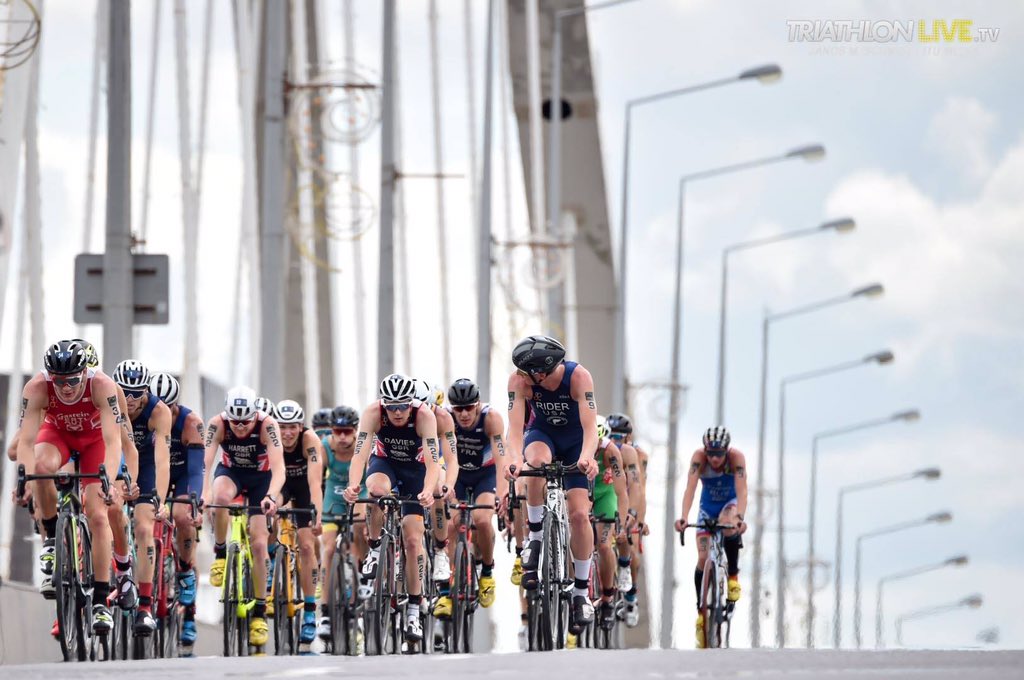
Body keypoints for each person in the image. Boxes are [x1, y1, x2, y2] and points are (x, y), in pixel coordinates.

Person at [13, 340, 128, 633]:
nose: (66, 388)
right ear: (51, 376)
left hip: (94, 442)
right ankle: (52, 539)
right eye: (60, 381)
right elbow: (26, 441)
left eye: (73, 380)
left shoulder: (102, 386)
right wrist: (24, 477)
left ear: (85, 372)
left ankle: (101, 601)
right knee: (40, 469)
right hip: (59, 436)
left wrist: (108, 480)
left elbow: (114, 442)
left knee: (98, 513)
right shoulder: (37, 387)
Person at [504, 335, 600, 633]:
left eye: (526, 371)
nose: (522, 376)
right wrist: (515, 460)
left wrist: (587, 458)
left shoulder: (578, 378)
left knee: (580, 516)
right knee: (534, 466)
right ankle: (534, 538)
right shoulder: (519, 383)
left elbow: (590, 427)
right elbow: (515, 430)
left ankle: (581, 592)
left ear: (541, 371)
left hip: (575, 443)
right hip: (542, 435)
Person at [342, 373, 443, 643]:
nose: (397, 413)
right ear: (383, 404)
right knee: (375, 491)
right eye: (392, 406)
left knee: (412, 541)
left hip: (415, 470)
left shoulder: (425, 417)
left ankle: (412, 607)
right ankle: (375, 548)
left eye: (402, 406)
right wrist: (353, 486)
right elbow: (360, 454)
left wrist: (426, 490)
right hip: (385, 463)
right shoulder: (373, 413)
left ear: (411, 403)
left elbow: (434, 462)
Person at [202, 386, 286, 648]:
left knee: (260, 545)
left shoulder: (267, 425)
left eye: (245, 421)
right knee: (220, 499)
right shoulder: (218, 424)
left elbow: (279, 468)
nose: (239, 427)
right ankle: (220, 553)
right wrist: (204, 492)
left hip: (261, 479)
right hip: (232, 472)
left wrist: (272, 496)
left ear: (255, 415)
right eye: (235, 421)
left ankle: (260, 613)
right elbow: (205, 464)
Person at [113, 360, 172, 635]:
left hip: (146, 464)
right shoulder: (109, 401)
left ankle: (145, 606)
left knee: (143, 525)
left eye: (137, 393)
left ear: (147, 391)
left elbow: (162, 459)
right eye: (125, 391)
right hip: (116, 458)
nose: (131, 399)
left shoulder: (158, 412)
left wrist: (159, 497)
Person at [674, 426, 748, 649]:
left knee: (728, 527)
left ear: (727, 450)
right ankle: (701, 611)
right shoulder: (699, 458)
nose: (715, 459)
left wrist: (740, 518)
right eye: (711, 454)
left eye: (719, 454)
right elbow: (690, 489)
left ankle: (733, 577)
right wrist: (684, 517)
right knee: (703, 558)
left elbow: (742, 490)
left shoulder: (736, 458)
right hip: (707, 508)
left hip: (728, 505)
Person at [149, 372, 205, 651]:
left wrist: (193, 501)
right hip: (153, 471)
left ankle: (185, 572)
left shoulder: (191, 423)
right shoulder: (143, 415)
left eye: (169, 408)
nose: (164, 413)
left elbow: (196, 470)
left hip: (183, 475)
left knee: (183, 516)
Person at [445, 377, 504, 610]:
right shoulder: (446, 419)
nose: (464, 414)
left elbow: (501, 459)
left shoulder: (491, 418)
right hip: (457, 476)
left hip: (484, 476)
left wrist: (501, 492)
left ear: (478, 404)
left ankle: (487, 572)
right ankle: (451, 580)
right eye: (459, 409)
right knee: (451, 525)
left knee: (481, 520)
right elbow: (441, 457)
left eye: (469, 407)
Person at [273, 399, 325, 648]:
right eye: (282, 427)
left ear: (301, 426)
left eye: (292, 426)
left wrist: (317, 515)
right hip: (281, 485)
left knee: (306, 546)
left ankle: (310, 611)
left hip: (304, 488)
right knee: (268, 510)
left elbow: (315, 482)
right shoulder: (269, 437)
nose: (287, 433)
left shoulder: (310, 440)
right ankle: (273, 561)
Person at [317, 404, 367, 641]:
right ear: (331, 431)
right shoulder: (324, 447)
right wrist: (316, 512)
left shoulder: (363, 446)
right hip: (333, 496)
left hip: (359, 492)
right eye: (338, 431)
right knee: (327, 549)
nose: (343, 437)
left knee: (359, 530)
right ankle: (325, 613)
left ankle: (359, 589)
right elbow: (315, 481)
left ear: (356, 431)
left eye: (348, 431)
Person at [412, 379, 459, 619]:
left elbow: (450, 459)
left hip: (433, 464)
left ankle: (440, 550)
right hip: (408, 463)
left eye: (427, 406)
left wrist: (448, 486)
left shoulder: (442, 418)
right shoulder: (403, 415)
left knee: (438, 489)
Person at [590, 416, 634, 628]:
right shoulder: (575, 443)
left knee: (605, 545)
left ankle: (607, 598)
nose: (595, 449)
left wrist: (622, 523)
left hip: (605, 496)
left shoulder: (611, 452)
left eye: (598, 444)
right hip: (583, 494)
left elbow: (621, 491)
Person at [607, 411, 647, 627]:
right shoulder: (603, 450)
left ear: (628, 438)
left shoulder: (636, 454)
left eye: (619, 437)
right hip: (608, 496)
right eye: (611, 436)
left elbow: (639, 489)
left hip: (629, 499)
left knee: (631, 550)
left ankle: (631, 599)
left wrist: (638, 518)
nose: (614, 441)